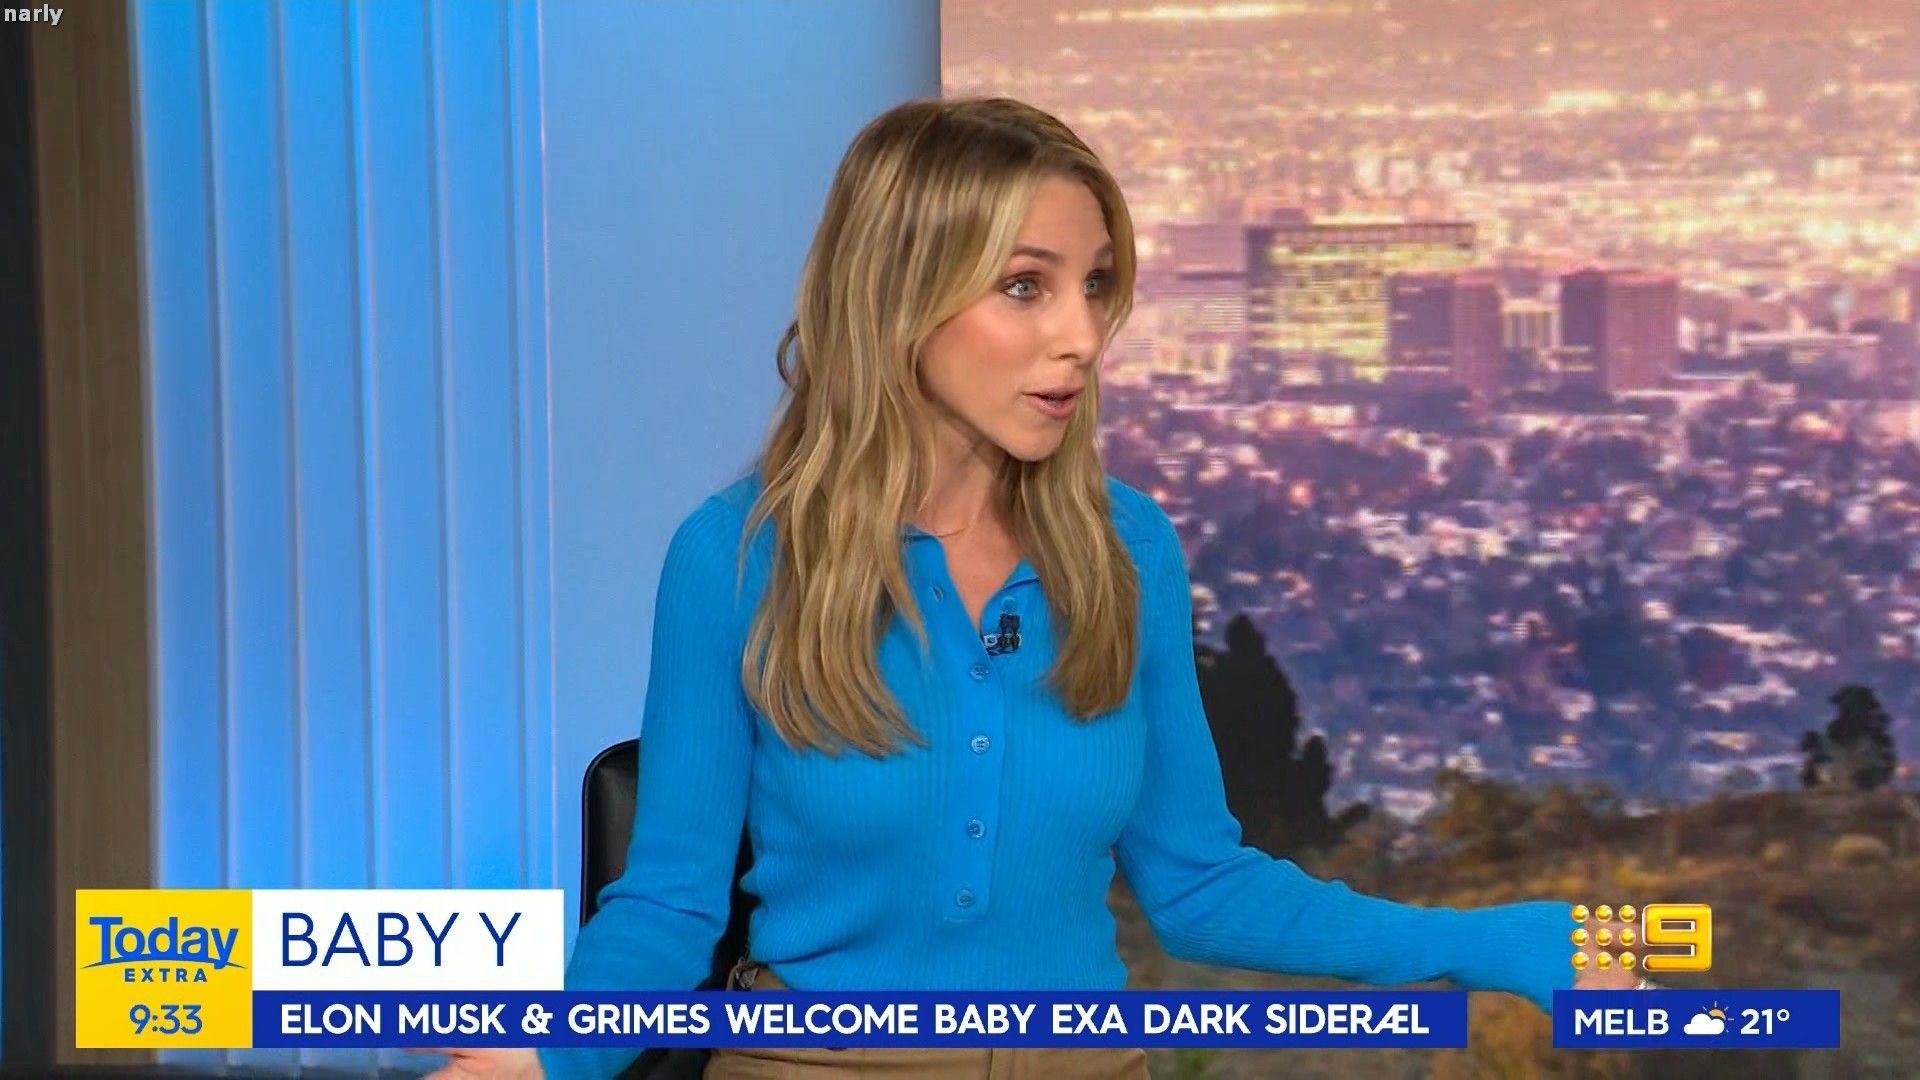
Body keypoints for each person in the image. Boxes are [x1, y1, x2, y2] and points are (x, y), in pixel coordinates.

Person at [426, 96, 1639, 1080]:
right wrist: (545, 1060)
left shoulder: (1126, 549)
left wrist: (1488, 941)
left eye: (1096, 284)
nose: (1083, 337)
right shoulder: (737, 556)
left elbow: (1198, 886)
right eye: (1026, 285)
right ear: (898, 295)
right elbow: (669, 906)